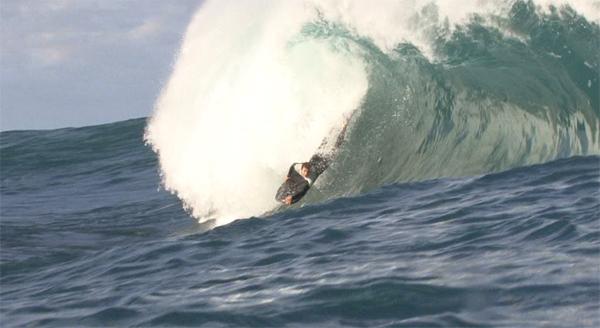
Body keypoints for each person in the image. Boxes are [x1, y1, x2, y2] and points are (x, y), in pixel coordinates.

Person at [276, 119, 349, 205]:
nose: (306, 173)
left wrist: (293, 197)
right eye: (305, 171)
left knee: (336, 147)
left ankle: (344, 127)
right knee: (323, 144)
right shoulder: (298, 166)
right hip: (314, 159)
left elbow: (302, 192)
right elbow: (293, 166)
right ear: (301, 169)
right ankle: (333, 127)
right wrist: (288, 176)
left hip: (323, 164)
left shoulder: (309, 179)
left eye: (307, 172)